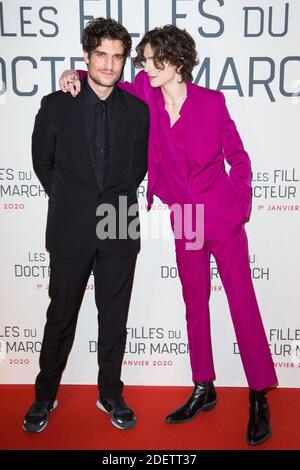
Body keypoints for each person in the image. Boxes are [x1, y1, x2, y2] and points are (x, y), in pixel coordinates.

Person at [60, 24, 277, 445]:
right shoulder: (146, 96)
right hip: (187, 219)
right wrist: (70, 74)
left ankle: (257, 394)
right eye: (141, 59)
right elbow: (105, 80)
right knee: (195, 303)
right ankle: (204, 385)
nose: (143, 65)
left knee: (241, 302)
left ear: (176, 61)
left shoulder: (212, 104)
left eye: (151, 58)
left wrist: (240, 207)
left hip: (221, 217)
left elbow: (239, 158)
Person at [23, 17, 149, 433]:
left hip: (118, 223)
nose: (109, 65)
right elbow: (43, 164)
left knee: (114, 317)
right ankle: (45, 395)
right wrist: (73, 201)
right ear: (86, 56)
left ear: (124, 61)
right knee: (61, 315)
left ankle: (110, 393)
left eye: (117, 56)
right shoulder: (57, 104)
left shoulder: (137, 110)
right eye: (101, 55)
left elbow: (138, 169)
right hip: (71, 225)